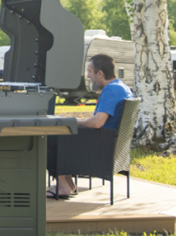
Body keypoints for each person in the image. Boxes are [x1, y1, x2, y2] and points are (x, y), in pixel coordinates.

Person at [49, 53, 134, 199]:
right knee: (57, 137)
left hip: (98, 147)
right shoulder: (122, 87)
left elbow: (97, 122)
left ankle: (63, 186)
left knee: (45, 138)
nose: (88, 76)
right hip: (110, 144)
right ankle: (68, 184)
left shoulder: (111, 90)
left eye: (89, 71)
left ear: (100, 73)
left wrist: (72, 121)